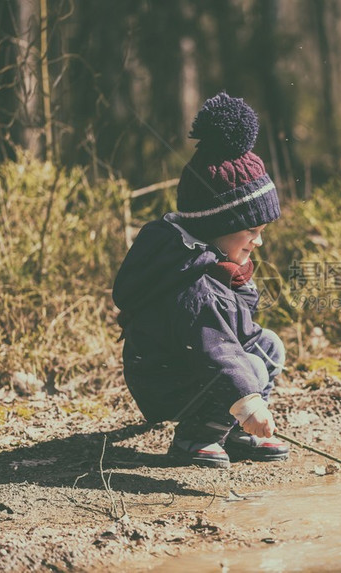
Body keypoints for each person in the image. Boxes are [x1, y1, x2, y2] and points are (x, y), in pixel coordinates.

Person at [112, 92, 289, 468]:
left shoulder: (221, 264)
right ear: (215, 228)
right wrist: (250, 403)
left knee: (268, 347)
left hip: (197, 366)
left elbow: (236, 332)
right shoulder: (193, 285)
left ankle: (233, 431)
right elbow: (219, 351)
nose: (259, 241)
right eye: (251, 231)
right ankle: (196, 436)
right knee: (249, 370)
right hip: (166, 378)